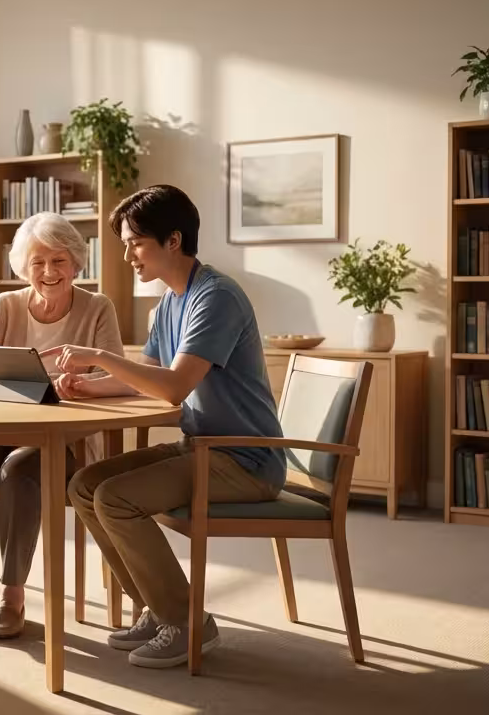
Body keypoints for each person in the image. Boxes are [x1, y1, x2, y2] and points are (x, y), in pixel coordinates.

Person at [42, 184, 285, 669]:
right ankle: (163, 607)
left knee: (117, 497)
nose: (129, 255)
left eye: (135, 243)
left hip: (245, 458)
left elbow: (173, 388)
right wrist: (91, 386)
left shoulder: (215, 298)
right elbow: (143, 382)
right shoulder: (169, 302)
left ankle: (186, 620)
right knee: (85, 485)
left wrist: (100, 357)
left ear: (173, 240)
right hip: (202, 445)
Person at [0, 212, 123, 643]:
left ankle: (12, 595)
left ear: (76, 263)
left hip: (62, 441)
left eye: (58, 261)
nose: (49, 272)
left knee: (21, 471)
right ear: (23, 266)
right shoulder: (5, 306)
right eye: (38, 262)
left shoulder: (98, 308)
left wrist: (83, 386)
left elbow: (122, 377)